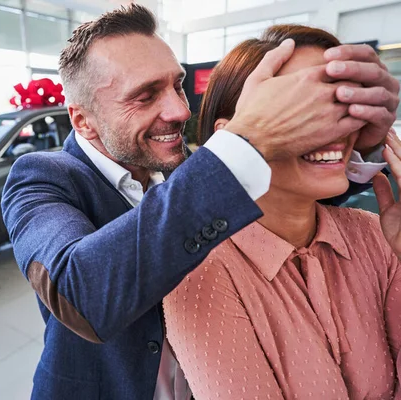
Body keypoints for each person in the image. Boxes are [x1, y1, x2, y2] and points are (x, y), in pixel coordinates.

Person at [1, 5, 400, 400]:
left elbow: (274, 200)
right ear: (83, 120)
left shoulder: (184, 167)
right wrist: (248, 141)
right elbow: (79, 294)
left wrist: (349, 146)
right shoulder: (41, 177)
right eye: (144, 96)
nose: (179, 110)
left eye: (177, 84)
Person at [163, 24, 401, 399]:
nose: (334, 129)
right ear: (233, 136)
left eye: (340, 104)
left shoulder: (377, 234)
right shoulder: (201, 272)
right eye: (300, 109)